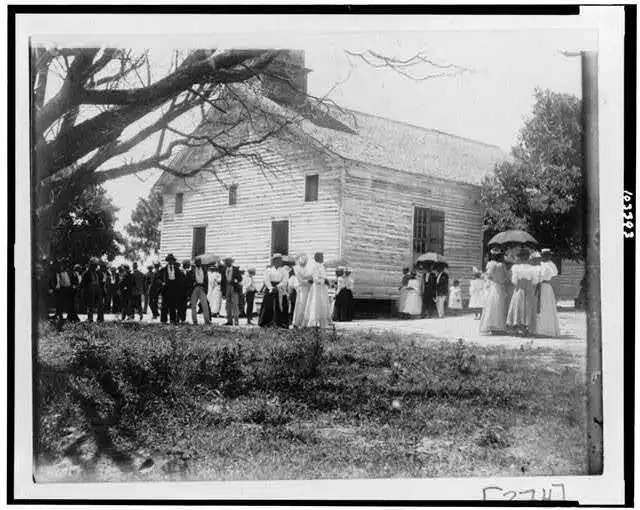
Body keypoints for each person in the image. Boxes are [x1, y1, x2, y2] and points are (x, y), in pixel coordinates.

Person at [505, 248, 539, 336]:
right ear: (528, 258)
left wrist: (519, 283)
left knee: (518, 306)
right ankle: (526, 327)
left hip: (519, 289)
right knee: (528, 307)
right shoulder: (533, 268)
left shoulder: (516, 267)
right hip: (529, 289)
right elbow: (535, 281)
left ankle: (517, 326)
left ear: (519, 258)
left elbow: (514, 281)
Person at [480, 249, 510, 335]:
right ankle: (499, 327)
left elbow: (488, 276)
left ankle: (491, 325)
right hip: (500, 286)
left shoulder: (490, 264)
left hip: (493, 286)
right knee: (500, 305)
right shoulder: (502, 265)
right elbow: (506, 277)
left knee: (492, 306)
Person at [533, 249, 561, 337]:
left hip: (545, 286)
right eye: (544, 255)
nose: (545, 257)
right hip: (541, 286)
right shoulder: (541, 264)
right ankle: (538, 329)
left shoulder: (550, 265)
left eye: (547, 255)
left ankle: (546, 329)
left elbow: (552, 274)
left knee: (546, 306)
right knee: (540, 306)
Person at [259, 253, 290, 328]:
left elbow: (285, 280)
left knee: (281, 305)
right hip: (270, 289)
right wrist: (271, 288)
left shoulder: (284, 270)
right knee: (268, 305)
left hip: (280, 289)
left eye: (280, 260)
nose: (279, 262)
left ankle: (281, 323)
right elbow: (266, 280)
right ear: (274, 261)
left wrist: (277, 287)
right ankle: (267, 322)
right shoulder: (268, 270)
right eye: (277, 260)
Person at [304, 252, 331, 328]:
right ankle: (313, 322)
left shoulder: (322, 266)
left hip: (322, 288)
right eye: (322, 257)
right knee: (316, 303)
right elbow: (315, 279)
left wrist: (326, 280)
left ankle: (323, 322)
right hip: (317, 288)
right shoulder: (315, 266)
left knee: (323, 303)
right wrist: (323, 281)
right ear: (317, 258)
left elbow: (323, 276)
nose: (323, 258)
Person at [160, 254, 183, 324]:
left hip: (174, 289)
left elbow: (180, 278)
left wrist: (178, 286)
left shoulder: (177, 269)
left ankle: (172, 320)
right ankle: (163, 320)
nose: (171, 262)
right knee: (164, 305)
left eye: (172, 260)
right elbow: (158, 278)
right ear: (168, 261)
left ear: (173, 261)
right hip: (166, 289)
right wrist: (162, 283)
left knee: (172, 305)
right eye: (169, 260)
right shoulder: (163, 270)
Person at [188, 257, 211, 325]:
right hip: (194, 288)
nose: (198, 263)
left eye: (199, 262)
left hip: (202, 287)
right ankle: (195, 321)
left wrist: (206, 289)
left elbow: (207, 280)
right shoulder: (192, 270)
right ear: (195, 263)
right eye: (197, 262)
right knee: (193, 305)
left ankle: (207, 320)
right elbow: (189, 280)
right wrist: (192, 285)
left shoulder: (204, 269)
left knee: (204, 305)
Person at [220, 256, 242, 326]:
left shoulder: (235, 269)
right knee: (227, 305)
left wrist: (236, 280)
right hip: (227, 287)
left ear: (231, 262)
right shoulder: (223, 270)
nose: (227, 263)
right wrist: (223, 292)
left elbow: (240, 278)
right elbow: (222, 282)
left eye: (228, 261)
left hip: (234, 287)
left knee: (235, 304)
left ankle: (236, 320)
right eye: (226, 262)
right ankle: (229, 321)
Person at [292, 255, 312, 328]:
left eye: (305, 261)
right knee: (300, 305)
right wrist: (308, 281)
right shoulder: (297, 269)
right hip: (301, 288)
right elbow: (300, 280)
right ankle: (297, 322)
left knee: (307, 305)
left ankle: (305, 322)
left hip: (308, 289)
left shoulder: (307, 269)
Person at [81, 258, 104, 323]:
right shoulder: (86, 273)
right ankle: (90, 318)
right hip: (90, 290)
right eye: (94, 265)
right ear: (90, 265)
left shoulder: (98, 273)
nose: (95, 266)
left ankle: (100, 318)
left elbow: (101, 281)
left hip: (98, 288)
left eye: (96, 265)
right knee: (90, 305)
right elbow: (83, 283)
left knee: (100, 304)